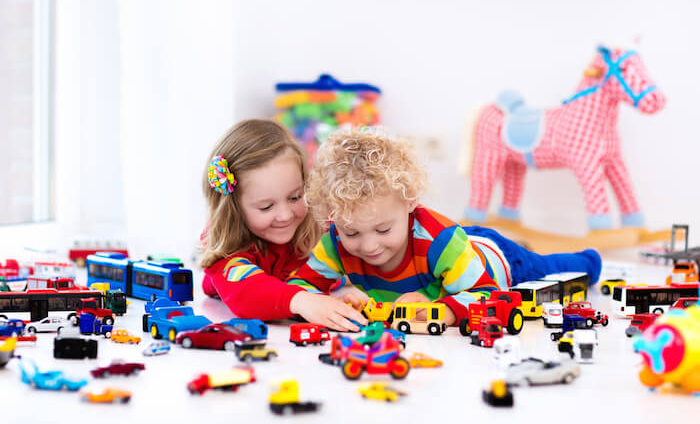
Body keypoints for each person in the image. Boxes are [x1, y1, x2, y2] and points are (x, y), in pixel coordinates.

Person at [287, 127, 602, 329]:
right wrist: (327, 302)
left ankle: (591, 259)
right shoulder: (335, 243)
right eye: (352, 233)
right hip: (459, 252)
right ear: (333, 217)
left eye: (383, 230)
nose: (369, 246)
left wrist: (441, 311)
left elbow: (485, 293)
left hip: (497, 260)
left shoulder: (438, 241)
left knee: (552, 269)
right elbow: (299, 289)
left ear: (410, 202)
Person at [200, 119, 366, 327]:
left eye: (295, 197)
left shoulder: (315, 221)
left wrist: (327, 302)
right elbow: (247, 292)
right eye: (266, 207)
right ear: (234, 208)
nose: (286, 215)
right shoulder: (225, 246)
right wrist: (304, 302)